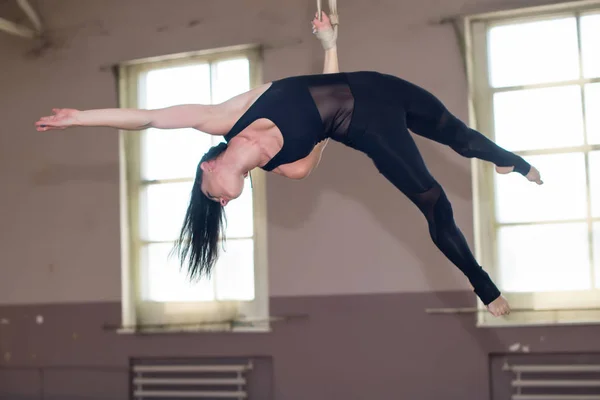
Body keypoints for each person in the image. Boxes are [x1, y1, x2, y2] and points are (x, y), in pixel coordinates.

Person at [35, 12, 542, 317]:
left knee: (461, 136)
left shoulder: (224, 118)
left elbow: (147, 118)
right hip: (370, 130)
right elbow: (327, 125)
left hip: (377, 85)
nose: (227, 199)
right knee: (433, 200)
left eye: (214, 197)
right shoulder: (291, 167)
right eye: (225, 205)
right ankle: (483, 285)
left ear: (210, 168)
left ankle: (509, 162)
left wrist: (79, 117)